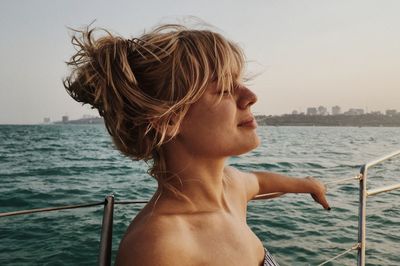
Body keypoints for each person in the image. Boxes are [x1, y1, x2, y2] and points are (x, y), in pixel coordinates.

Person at [64, 23, 330, 266]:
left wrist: (307, 185)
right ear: (168, 119)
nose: (250, 96)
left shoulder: (230, 189)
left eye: (241, 82)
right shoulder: (160, 246)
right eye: (224, 87)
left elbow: (260, 183)